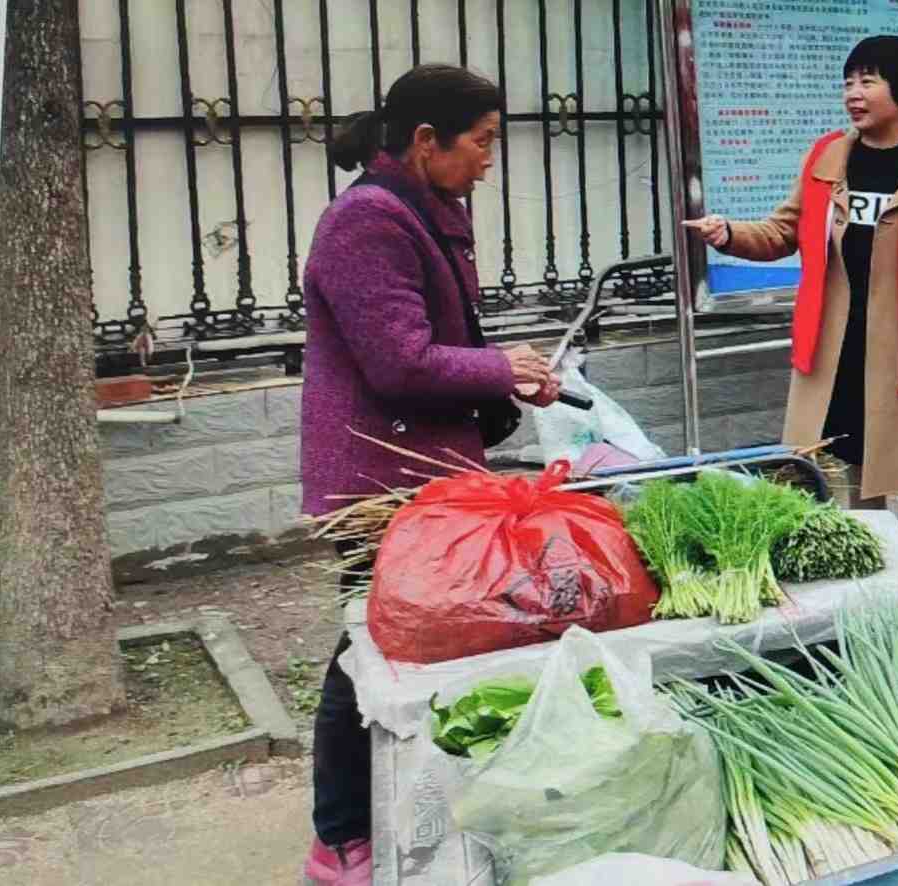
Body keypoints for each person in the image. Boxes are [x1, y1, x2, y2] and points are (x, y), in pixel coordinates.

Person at [296, 64, 560, 886]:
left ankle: (408, 808)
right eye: (480, 141)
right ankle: (340, 838)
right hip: (379, 477)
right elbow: (398, 361)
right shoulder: (366, 220)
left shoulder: (424, 206)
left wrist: (506, 373)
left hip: (428, 469)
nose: (489, 159)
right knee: (367, 648)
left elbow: (438, 339)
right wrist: (500, 367)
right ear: (424, 140)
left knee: (419, 645)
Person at [683, 35, 898, 551]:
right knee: (859, 470)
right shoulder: (827, 160)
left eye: (868, 81)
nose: (853, 94)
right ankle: (871, 574)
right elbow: (782, 232)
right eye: (848, 82)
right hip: (841, 349)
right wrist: (728, 233)